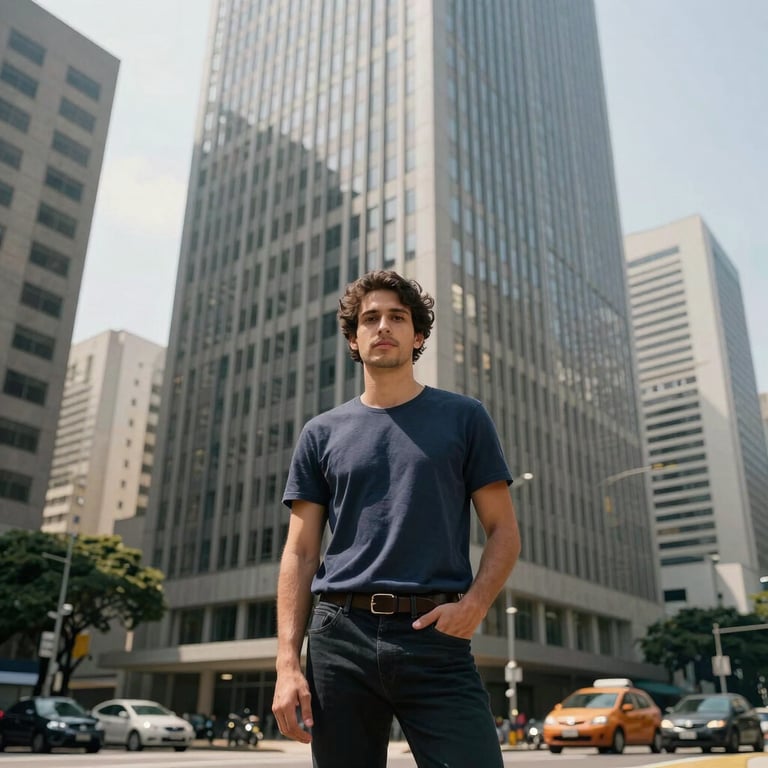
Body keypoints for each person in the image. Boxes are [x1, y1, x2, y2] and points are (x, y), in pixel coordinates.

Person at [272, 270, 521, 767]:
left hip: (435, 637)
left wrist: (474, 606)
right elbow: (300, 552)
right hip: (339, 638)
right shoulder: (320, 433)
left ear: (418, 335)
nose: (382, 326)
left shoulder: (464, 417)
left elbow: (504, 532)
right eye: (370, 319)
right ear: (353, 338)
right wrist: (286, 662)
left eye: (397, 317)